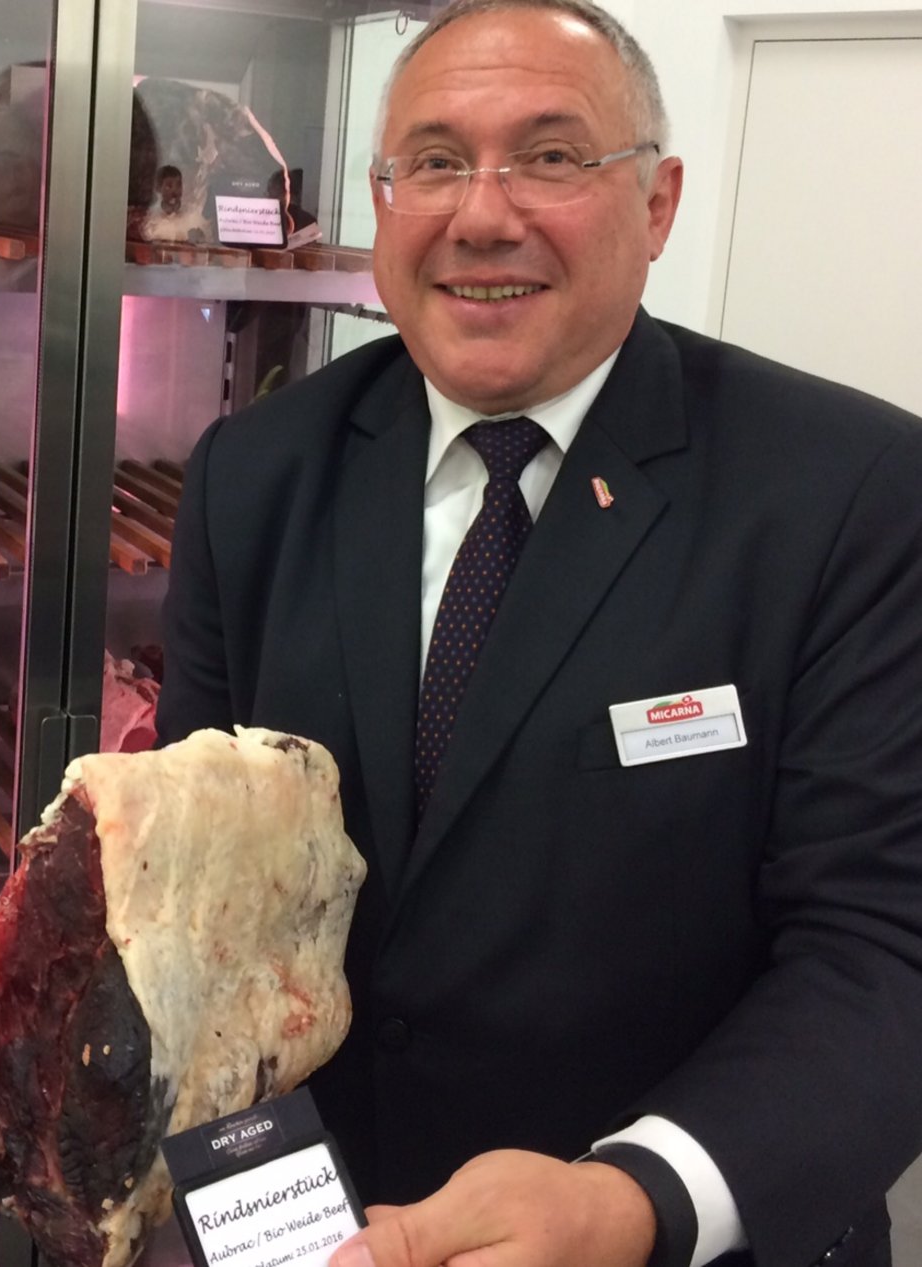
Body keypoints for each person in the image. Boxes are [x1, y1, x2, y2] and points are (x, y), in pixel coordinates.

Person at [154, 2, 922, 1265]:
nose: (482, 214)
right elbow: (206, 897)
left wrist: (632, 1202)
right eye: (436, 161)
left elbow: (884, 946)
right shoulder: (256, 475)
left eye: (552, 157)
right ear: (383, 196)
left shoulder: (847, 492)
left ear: (658, 203)